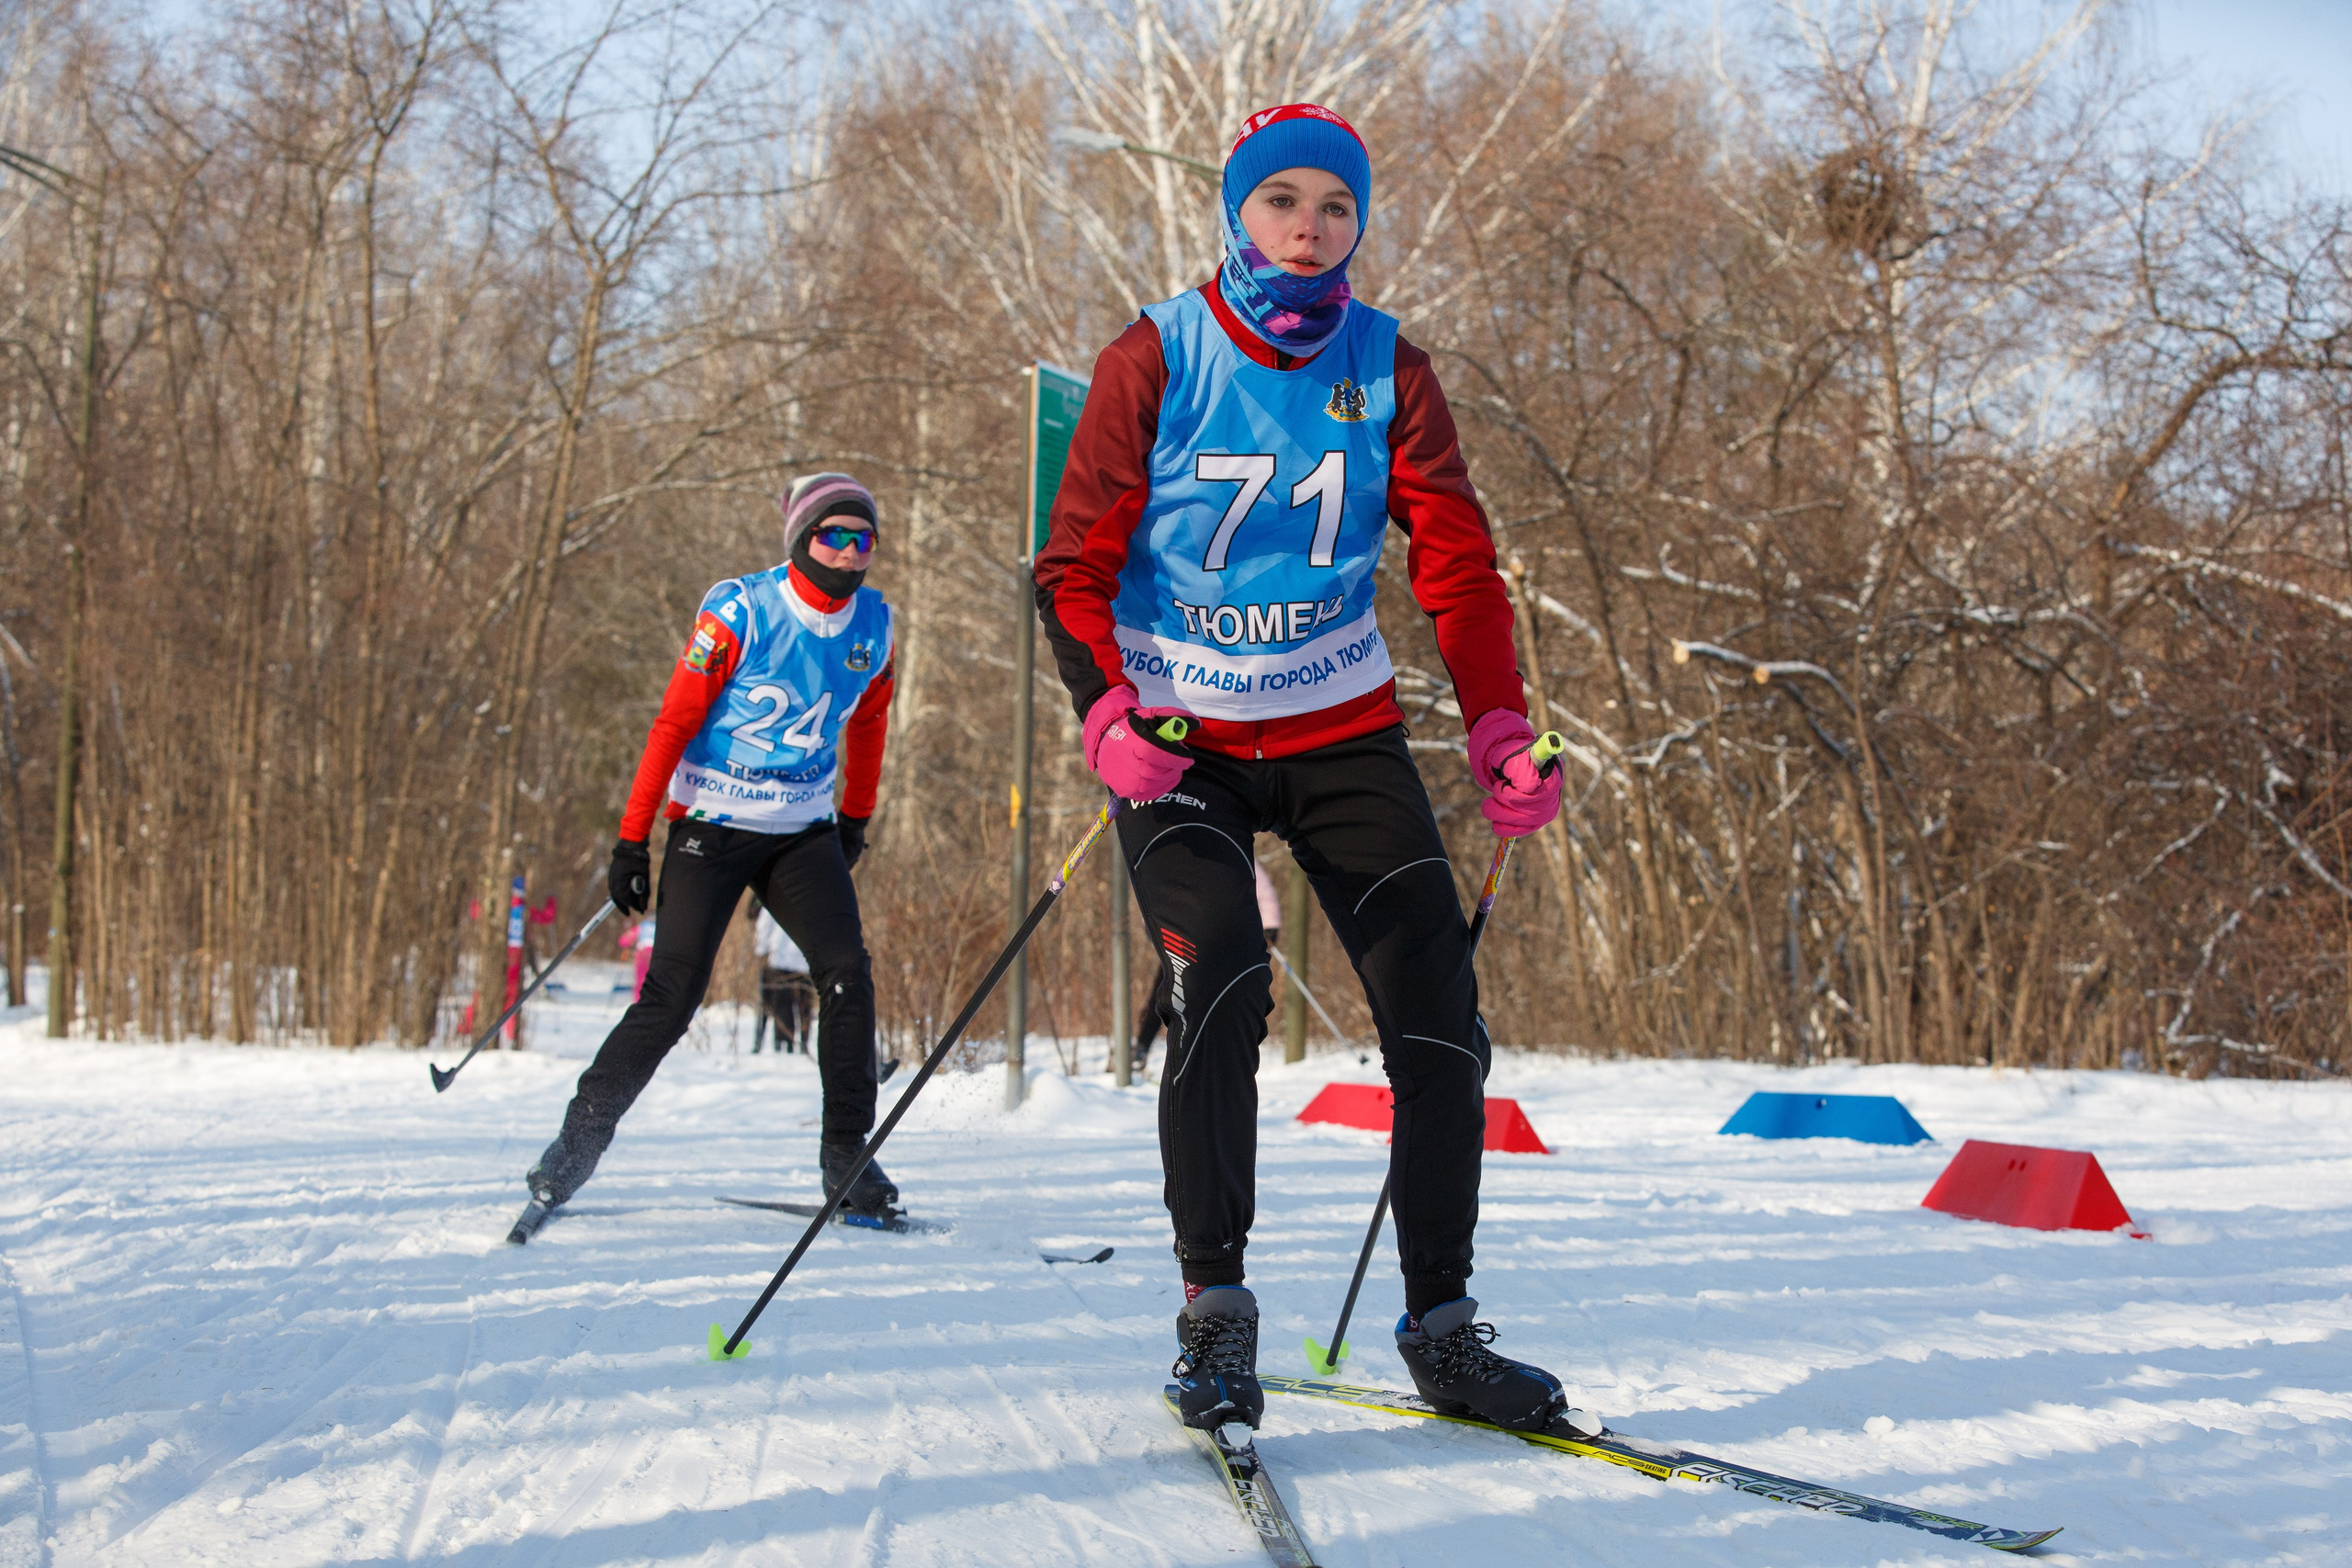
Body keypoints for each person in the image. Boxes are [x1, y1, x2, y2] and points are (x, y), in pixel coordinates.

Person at [1034, 104, 1593, 1438]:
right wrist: (1103, 710)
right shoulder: (1153, 356)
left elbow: (1455, 564)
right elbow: (1071, 564)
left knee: (1440, 1013)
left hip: (1341, 723)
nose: (1309, 225)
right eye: (1281, 200)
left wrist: (1502, 726)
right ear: (1238, 214)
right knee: (1220, 967)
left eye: (1335, 207)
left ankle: (1445, 1327)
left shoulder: (1389, 366)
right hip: (1182, 734)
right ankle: (1215, 1308)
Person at [517, 472, 903, 1231]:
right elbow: (671, 723)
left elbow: (869, 725)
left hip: (801, 827)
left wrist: (855, 818)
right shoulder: (741, 610)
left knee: (846, 972)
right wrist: (633, 837)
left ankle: (846, 1155)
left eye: (865, 540)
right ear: (801, 538)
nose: (852, 553)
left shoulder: (874, 628)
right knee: (672, 998)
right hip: (713, 822)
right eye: (835, 535)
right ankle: (575, 1145)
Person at [751, 905, 814, 1054]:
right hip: (805, 959)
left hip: (780, 957)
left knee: (782, 1004)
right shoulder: (815, 895)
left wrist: (761, 949)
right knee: (804, 1005)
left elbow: (765, 924)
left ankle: (784, 1043)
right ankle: (803, 1043)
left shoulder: (777, 893)